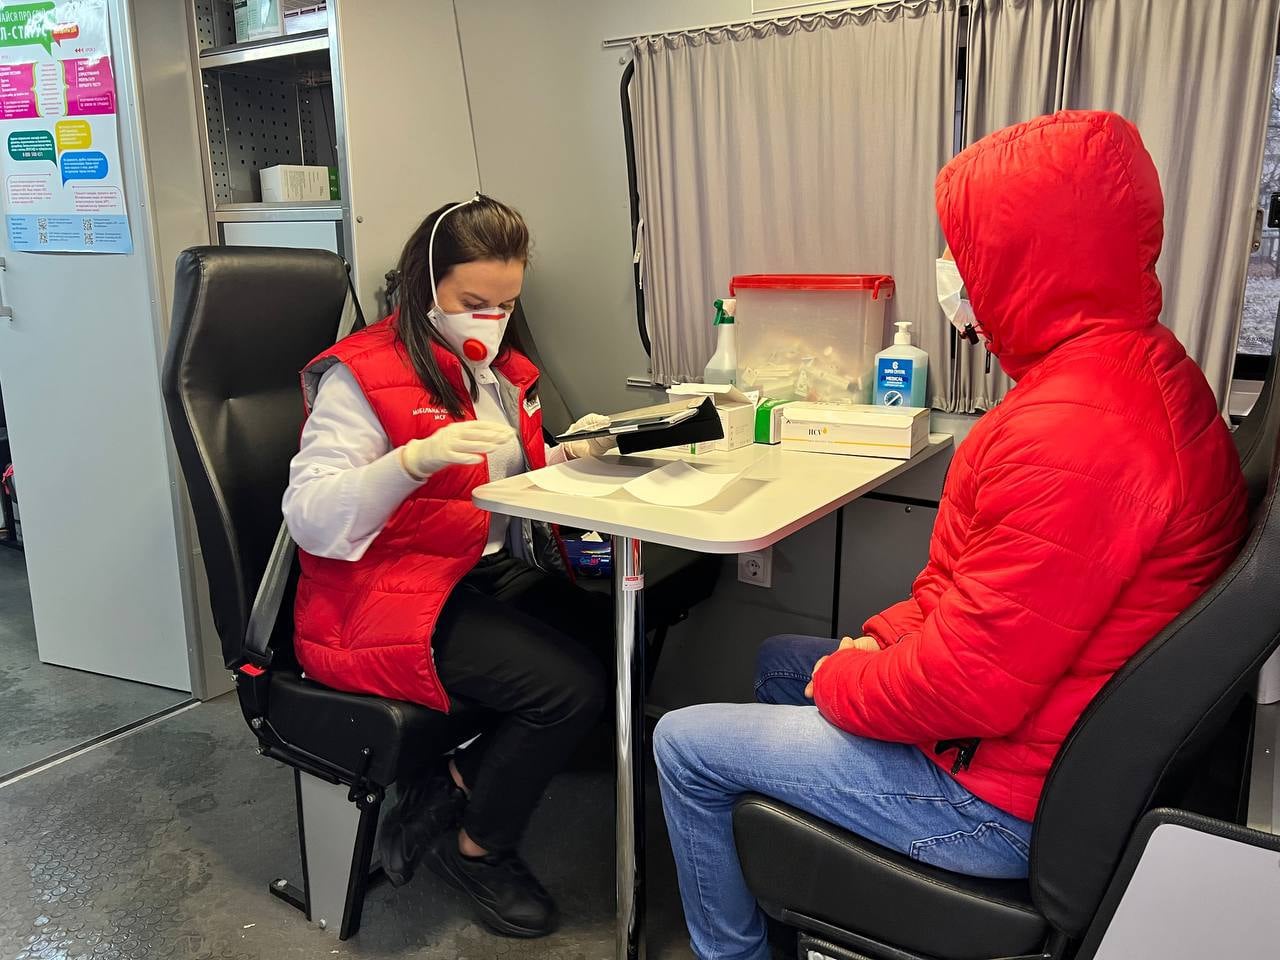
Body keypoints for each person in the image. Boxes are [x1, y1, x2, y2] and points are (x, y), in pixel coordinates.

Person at [653, 110, 1249, 960]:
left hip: (994, 800)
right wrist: (876, 642)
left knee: (683, 742)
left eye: (965, 251)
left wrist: (846, 681)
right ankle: (800, 884)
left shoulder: (1079, 430)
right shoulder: (1127, 370)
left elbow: (972, 685)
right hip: (1032, 739)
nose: (953, 275)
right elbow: (971, 590)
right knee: (780, 660)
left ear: (1026, 257)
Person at [282, 194, 616, 939]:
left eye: (505, 305)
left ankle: (454, 780)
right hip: (375, 597)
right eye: (473, 302)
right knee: (570, 690)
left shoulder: (495, 373)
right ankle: (476, 848)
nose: (489, 321)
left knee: (613, 628)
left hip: (465, 574)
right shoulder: (360, 376)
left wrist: (563, 456)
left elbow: (491, 481)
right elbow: (310, 517)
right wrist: (405, 463)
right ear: (423, 282)